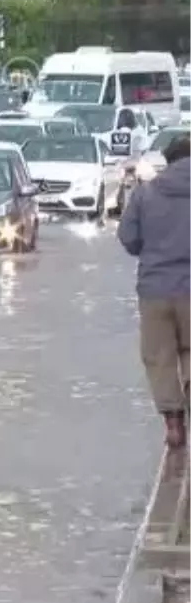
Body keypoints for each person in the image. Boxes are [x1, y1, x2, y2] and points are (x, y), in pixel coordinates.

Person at [118, 133, 191, 447]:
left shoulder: (145, 194)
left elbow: (128, 239)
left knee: (159, 357)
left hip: (155, 289)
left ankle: (174, 425)